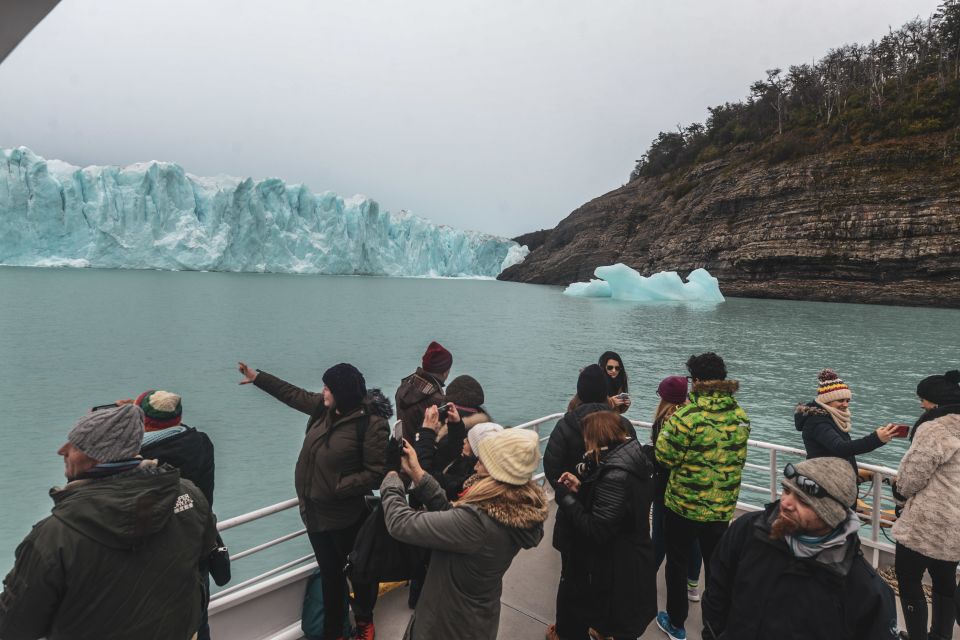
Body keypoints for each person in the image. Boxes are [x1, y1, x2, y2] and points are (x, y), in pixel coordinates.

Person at [0, 404, 217, 640]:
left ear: (96, 456)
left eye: (74, 445)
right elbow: (202, 557)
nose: (61, 450)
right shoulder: (189, 495)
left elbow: (15, 627)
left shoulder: (56, 535)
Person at [238, 361, 389, 640]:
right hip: (314, 515)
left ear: (342, 393)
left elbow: (376, 474)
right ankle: (335, 634)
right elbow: (293, 395)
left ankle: (365, 621)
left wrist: (339, 487)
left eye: (328, 387)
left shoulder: (371, 425)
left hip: (344, 517)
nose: (323, 391)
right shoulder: (325, 408)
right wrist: (258, 377)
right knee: (331, 577)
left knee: (360, 573)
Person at [701, 457, 898, 640]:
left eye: (803, 501)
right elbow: (717, 590)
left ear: (832, 514)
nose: (785, 503)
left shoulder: (865, 590)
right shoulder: (748, 530)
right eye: (786, 490)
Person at [380, 427, 548, 640]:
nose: (476, 464)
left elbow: (400, 522)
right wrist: (418, 473)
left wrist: (391, 474)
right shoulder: (511, 509)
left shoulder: (479, 522)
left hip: (446, 624)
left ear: (498, 472)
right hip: (476, 619)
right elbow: (454, 518)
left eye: (484, 461)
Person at [655, 352, 750, 640]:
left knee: (678, 563)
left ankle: (676, 623)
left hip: (683, 506)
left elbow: (663, 456)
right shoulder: (740, 417)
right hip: (721, 508)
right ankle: (714, 626)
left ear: (696, 381)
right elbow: (738, 460)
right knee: (716, 568)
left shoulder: (687, 417)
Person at [543, 364, 638, 640]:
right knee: (606, 578)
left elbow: (551, 468)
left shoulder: (567, 423)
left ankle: (565, 632)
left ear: (579, 391)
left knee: (571, 578)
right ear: (605, 391)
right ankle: (602, 628)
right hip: (611, 518)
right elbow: (633, 464)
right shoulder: (623, 424)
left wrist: (571, 495)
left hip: (575, 517)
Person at [554, 411, 657, 639]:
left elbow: (597, 530)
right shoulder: (635, 459)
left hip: (617, 568)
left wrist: (567, 499)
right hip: (634, 557)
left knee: (610, 626)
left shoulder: (615, 475)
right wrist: (582, 488)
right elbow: (619, 509)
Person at [134, 389, 217, 640]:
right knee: (198, 617)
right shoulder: (201, 443)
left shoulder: (141, 459)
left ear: (144, 421)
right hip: (197, 543)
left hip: (155, 558)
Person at [892, 369, 960, 640]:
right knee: (945, 584)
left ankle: (917, 637)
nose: (921, 405)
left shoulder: (936, 428)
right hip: (955, 526)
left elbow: (912, 475)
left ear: (936, 401)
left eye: (924, 399)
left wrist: (899, 497)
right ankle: (941, 637)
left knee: (908, 580)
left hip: (926, 523)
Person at [649, 375, 703, 602]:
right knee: (693, 540)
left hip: (666, 487)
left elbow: (662, 458)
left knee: (660, 537)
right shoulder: (696, 417)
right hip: (693, 487)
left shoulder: (666, 422)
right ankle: (693, 586)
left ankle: (645, 576)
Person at [795, 369, 898, 476]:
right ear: (826, 401)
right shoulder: (818, 422)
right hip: (827, 481)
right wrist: (876, 439)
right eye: (840, 400)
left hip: (834, 477)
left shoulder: (830, 418)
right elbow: (841, 448)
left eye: (847, 400)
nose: (845, 404)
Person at [413, 374, 492, 499]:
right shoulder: (484, 429)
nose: (464, 440)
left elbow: (425, 477)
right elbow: (454, 449)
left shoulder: (461, 480)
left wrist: (426, 431)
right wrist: (456, 426)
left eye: (468, 440)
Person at [395, 341, 452, 443]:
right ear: (445, 372)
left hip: (403, 451)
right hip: (422, 455)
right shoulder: (438, 401)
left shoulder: (403, 388)